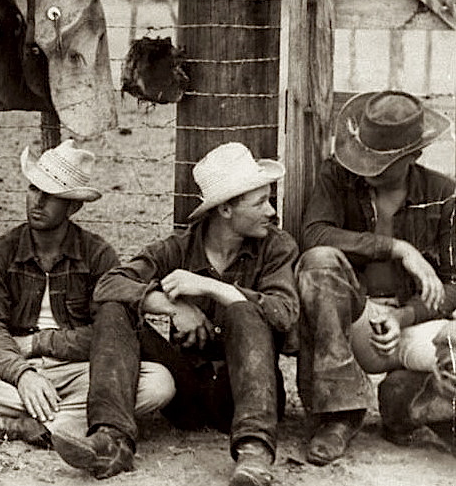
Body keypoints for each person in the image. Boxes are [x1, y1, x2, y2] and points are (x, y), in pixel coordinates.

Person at [50, 142, 298, 486]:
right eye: (260, 202)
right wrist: (171, 305)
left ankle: (254, 453)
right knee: (114, 310)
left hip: (241, 398)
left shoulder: (277, 246)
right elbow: (109, 285)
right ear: (225, 210)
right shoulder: (178, 249)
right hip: (186, 392)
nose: (271, 211)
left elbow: (284, 314)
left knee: (244, 310)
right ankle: (112, 440)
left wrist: (214, 289)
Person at [0, 139, 175, 447]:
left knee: (159, 383)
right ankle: (63, 422)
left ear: (74, 206)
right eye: (33, 189)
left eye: (51, 195)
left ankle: (19, 427)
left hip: (80, 370)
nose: (37, 202)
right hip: (12, 369)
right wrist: (22, 373)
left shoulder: (98, 255)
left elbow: (109, 334)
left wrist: (40, 342)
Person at [295, 90, 456, 463]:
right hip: (357, 319)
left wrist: (404, 317)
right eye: (365, 156)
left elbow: (452, 285)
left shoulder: (443, 194)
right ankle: (338, 417)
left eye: (384, 162)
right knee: (319, 261)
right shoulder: (337, 176)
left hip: (413, 323)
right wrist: (398, 248)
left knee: (437, 366)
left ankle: (414, 408)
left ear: (414, 156)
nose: (367, 168)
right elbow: (315, 234)